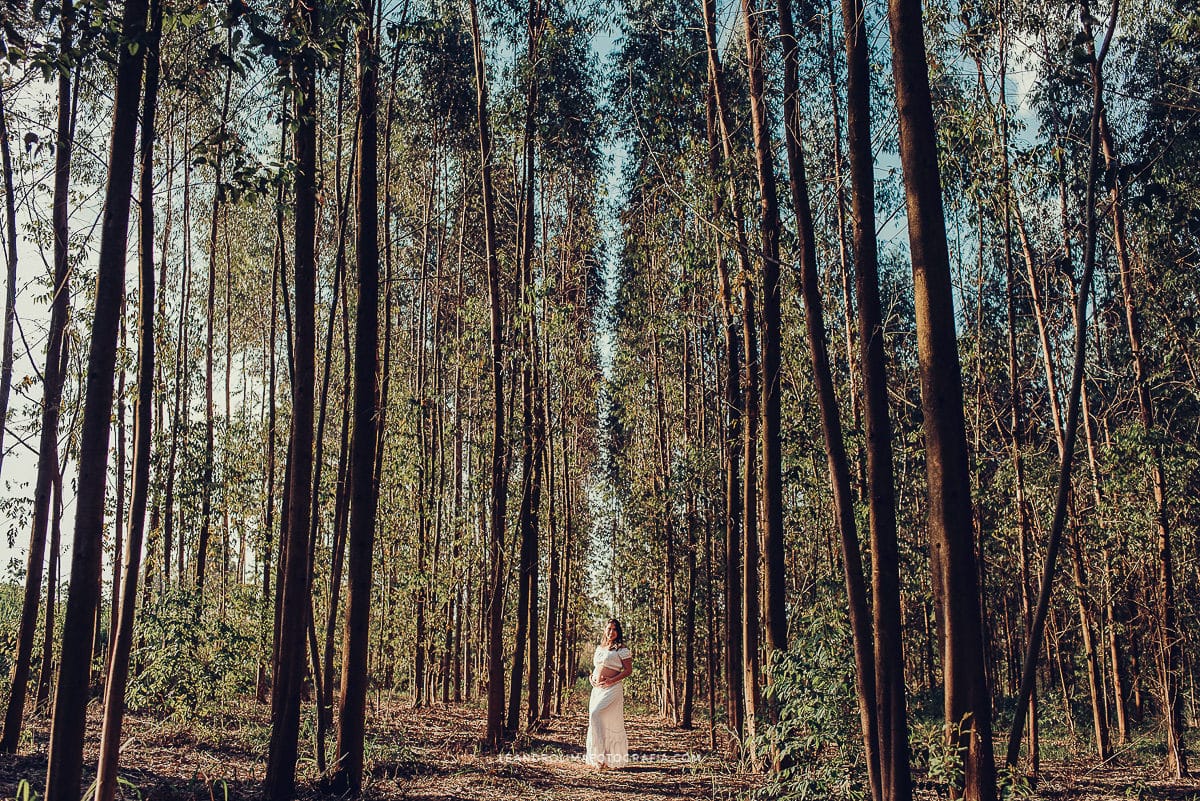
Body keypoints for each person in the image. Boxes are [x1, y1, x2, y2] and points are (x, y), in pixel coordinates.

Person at [585, 618, 633, 770]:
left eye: (614, 629)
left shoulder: (622, 649)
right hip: (597, 689)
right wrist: (591, 678)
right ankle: (601, 759)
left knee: (595, 714)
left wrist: (612, 680)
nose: (611, 632)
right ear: (604, 630)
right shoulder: (600, 648)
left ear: (618, 632)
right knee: (599, 720)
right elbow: (597, 667)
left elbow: (628, 670)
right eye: (609, 629)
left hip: (612, 689)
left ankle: (602, 756)